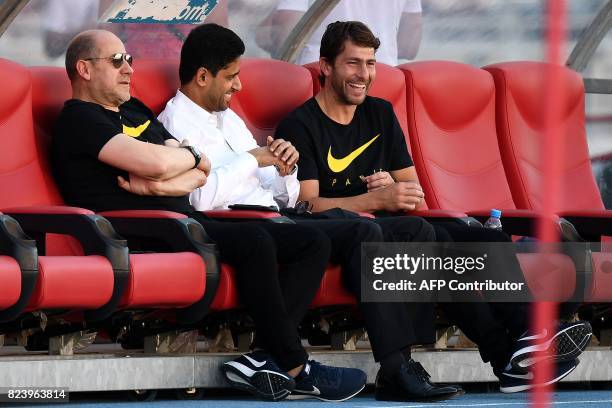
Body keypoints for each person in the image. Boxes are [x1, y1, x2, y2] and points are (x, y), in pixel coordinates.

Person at [274, 20, 593, 395]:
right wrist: (374, 200)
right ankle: (511, 354)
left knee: (479, 239)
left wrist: (396, 190)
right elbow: (307, 204)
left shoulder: (379, 113)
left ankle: (527, 336)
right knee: (436, 246)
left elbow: (415, 192)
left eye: (371, 63)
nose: (364, 74)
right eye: (353, 63)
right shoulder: (300, 123)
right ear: (326, 66)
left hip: (401, 224)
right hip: (351, 237)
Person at [50, 29, 366, 403]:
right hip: (139, 229)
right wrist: (181, 164)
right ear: (84, 69)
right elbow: (158, 160)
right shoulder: (80, 119)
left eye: (130, 60)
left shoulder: (133, 110)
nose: (129, 70)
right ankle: (297, 366)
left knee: (312, 241)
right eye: (117, 61)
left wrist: (162, 180)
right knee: (257, 240)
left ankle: (266, 359)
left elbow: (193, 171)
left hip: (186, 220)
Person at [156, 23, 462, 402]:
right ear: (203, 77)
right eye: (232, 77)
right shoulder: (174, 125)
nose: (239, 87)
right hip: (240, 225)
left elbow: (277, 191)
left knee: (421, 230)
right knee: (369, 234)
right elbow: (201, 197)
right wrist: (254, 161)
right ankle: (396, 367)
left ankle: (414, 358)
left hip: (279, 217)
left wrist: (285, 168)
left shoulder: (229, 120)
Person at [256, 0, 422, 65]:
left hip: (321, 82)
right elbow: (409, 45)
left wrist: (262, 31)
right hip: (381, 75)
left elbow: (284, 36)